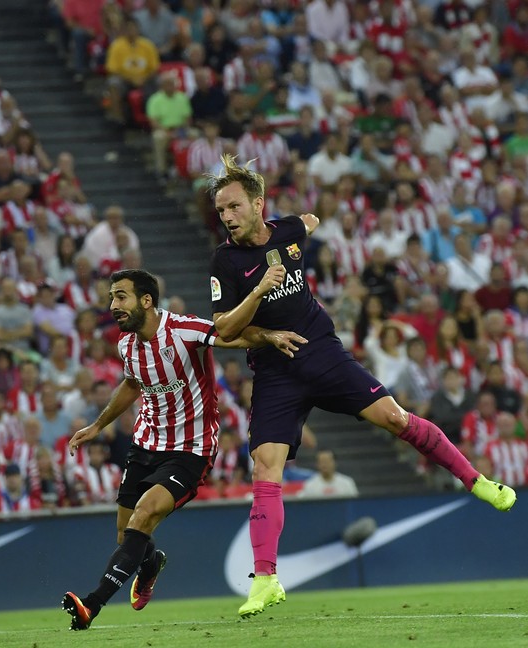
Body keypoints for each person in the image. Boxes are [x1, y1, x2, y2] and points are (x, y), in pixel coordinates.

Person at [207, 155, 517, 619]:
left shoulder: (290, 231)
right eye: (220, 211)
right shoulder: (224, 261)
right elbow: (223, 330)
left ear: (257, 203)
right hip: (275, 370)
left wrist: (310, 221)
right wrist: (260, 305)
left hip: (323, 353)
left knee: (395, 418)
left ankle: (477, 481)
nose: (227, 217)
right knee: (264, 468)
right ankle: (266, 580)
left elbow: (304, 224)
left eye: (233, 207)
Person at [62, 269, 304, 630]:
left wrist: (269, 335)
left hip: (190, 450)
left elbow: (230, 335)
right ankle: (150, 564)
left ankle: (92, 605)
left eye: (121, 297)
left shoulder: (184, 330)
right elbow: (132, 383)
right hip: (145, 445)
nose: (113, 306)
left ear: (146, 300)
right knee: (127, 533)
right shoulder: (126, 344)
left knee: (143, 516)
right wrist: (98, 425)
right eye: (112, 298)